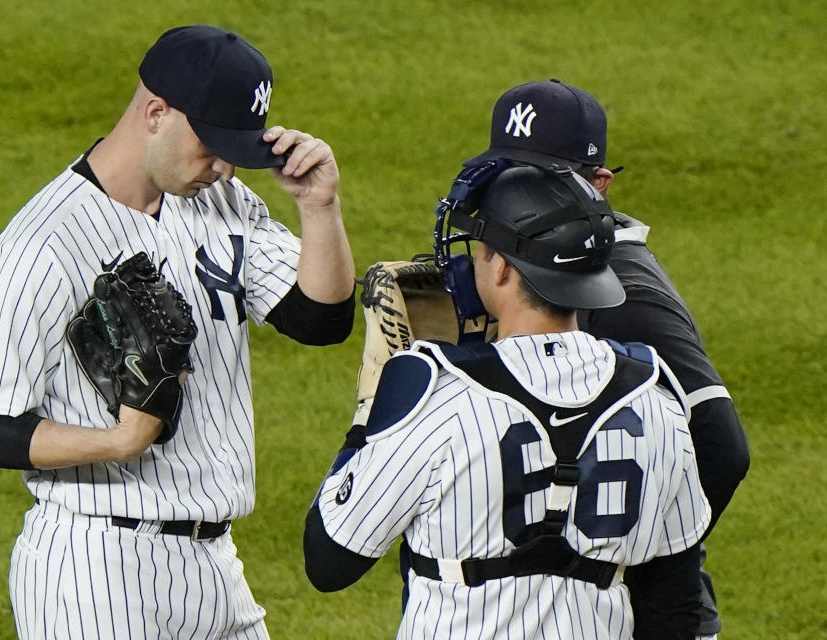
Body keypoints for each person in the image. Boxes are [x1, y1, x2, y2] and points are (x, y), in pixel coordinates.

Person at [0, 25, 355, 639]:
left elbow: (320, 320)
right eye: (210, 145)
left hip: (216, 569)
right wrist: (117, 442)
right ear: (156, 113)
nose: (220, 167)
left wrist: (321, 210)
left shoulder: (222, 201)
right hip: (94, 571)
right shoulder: (41, 247)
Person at [304, 164, 712, 639]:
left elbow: (329, 561)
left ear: (499, 265)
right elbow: (677, 606)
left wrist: (374, 408)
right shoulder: (657, 399)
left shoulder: (438, 397)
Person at [462, 79, 750, 639]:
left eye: (543, 178)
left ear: (600, 185)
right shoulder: (544, 274)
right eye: (510, 173)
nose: (519, 192)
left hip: (646, 618)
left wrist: (638, 551)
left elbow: (721, 442)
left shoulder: (627, 294)